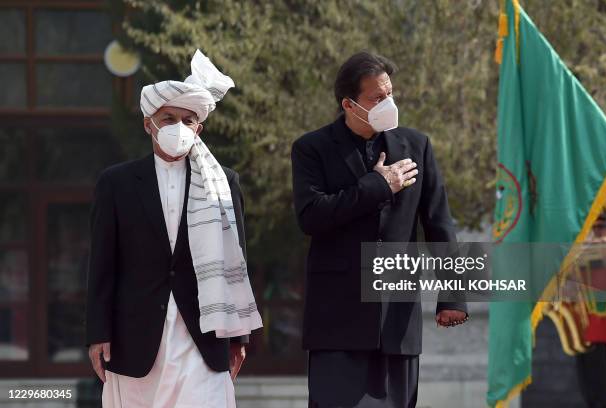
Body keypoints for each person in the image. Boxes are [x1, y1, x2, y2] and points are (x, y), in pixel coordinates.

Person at [85, 49, 262, 408]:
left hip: (203, 331)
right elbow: (102, 265)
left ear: (199, 128)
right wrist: (97, 333)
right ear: (149, 122)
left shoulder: (222, 182)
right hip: (135, 334)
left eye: (187, 119)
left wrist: (239, 336)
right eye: (168, 118)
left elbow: (236, 263)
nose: (178, 127)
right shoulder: (116, 183)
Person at [291, 51, 468, 408]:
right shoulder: (312, 149)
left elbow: (439, 224)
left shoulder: (417, 145)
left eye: (389, 94)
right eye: (377, 98)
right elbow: (311, 216)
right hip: (337, 322)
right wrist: (377, 186)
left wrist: (452, 297)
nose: (388, 103)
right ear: (349, 104)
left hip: (396, 322)